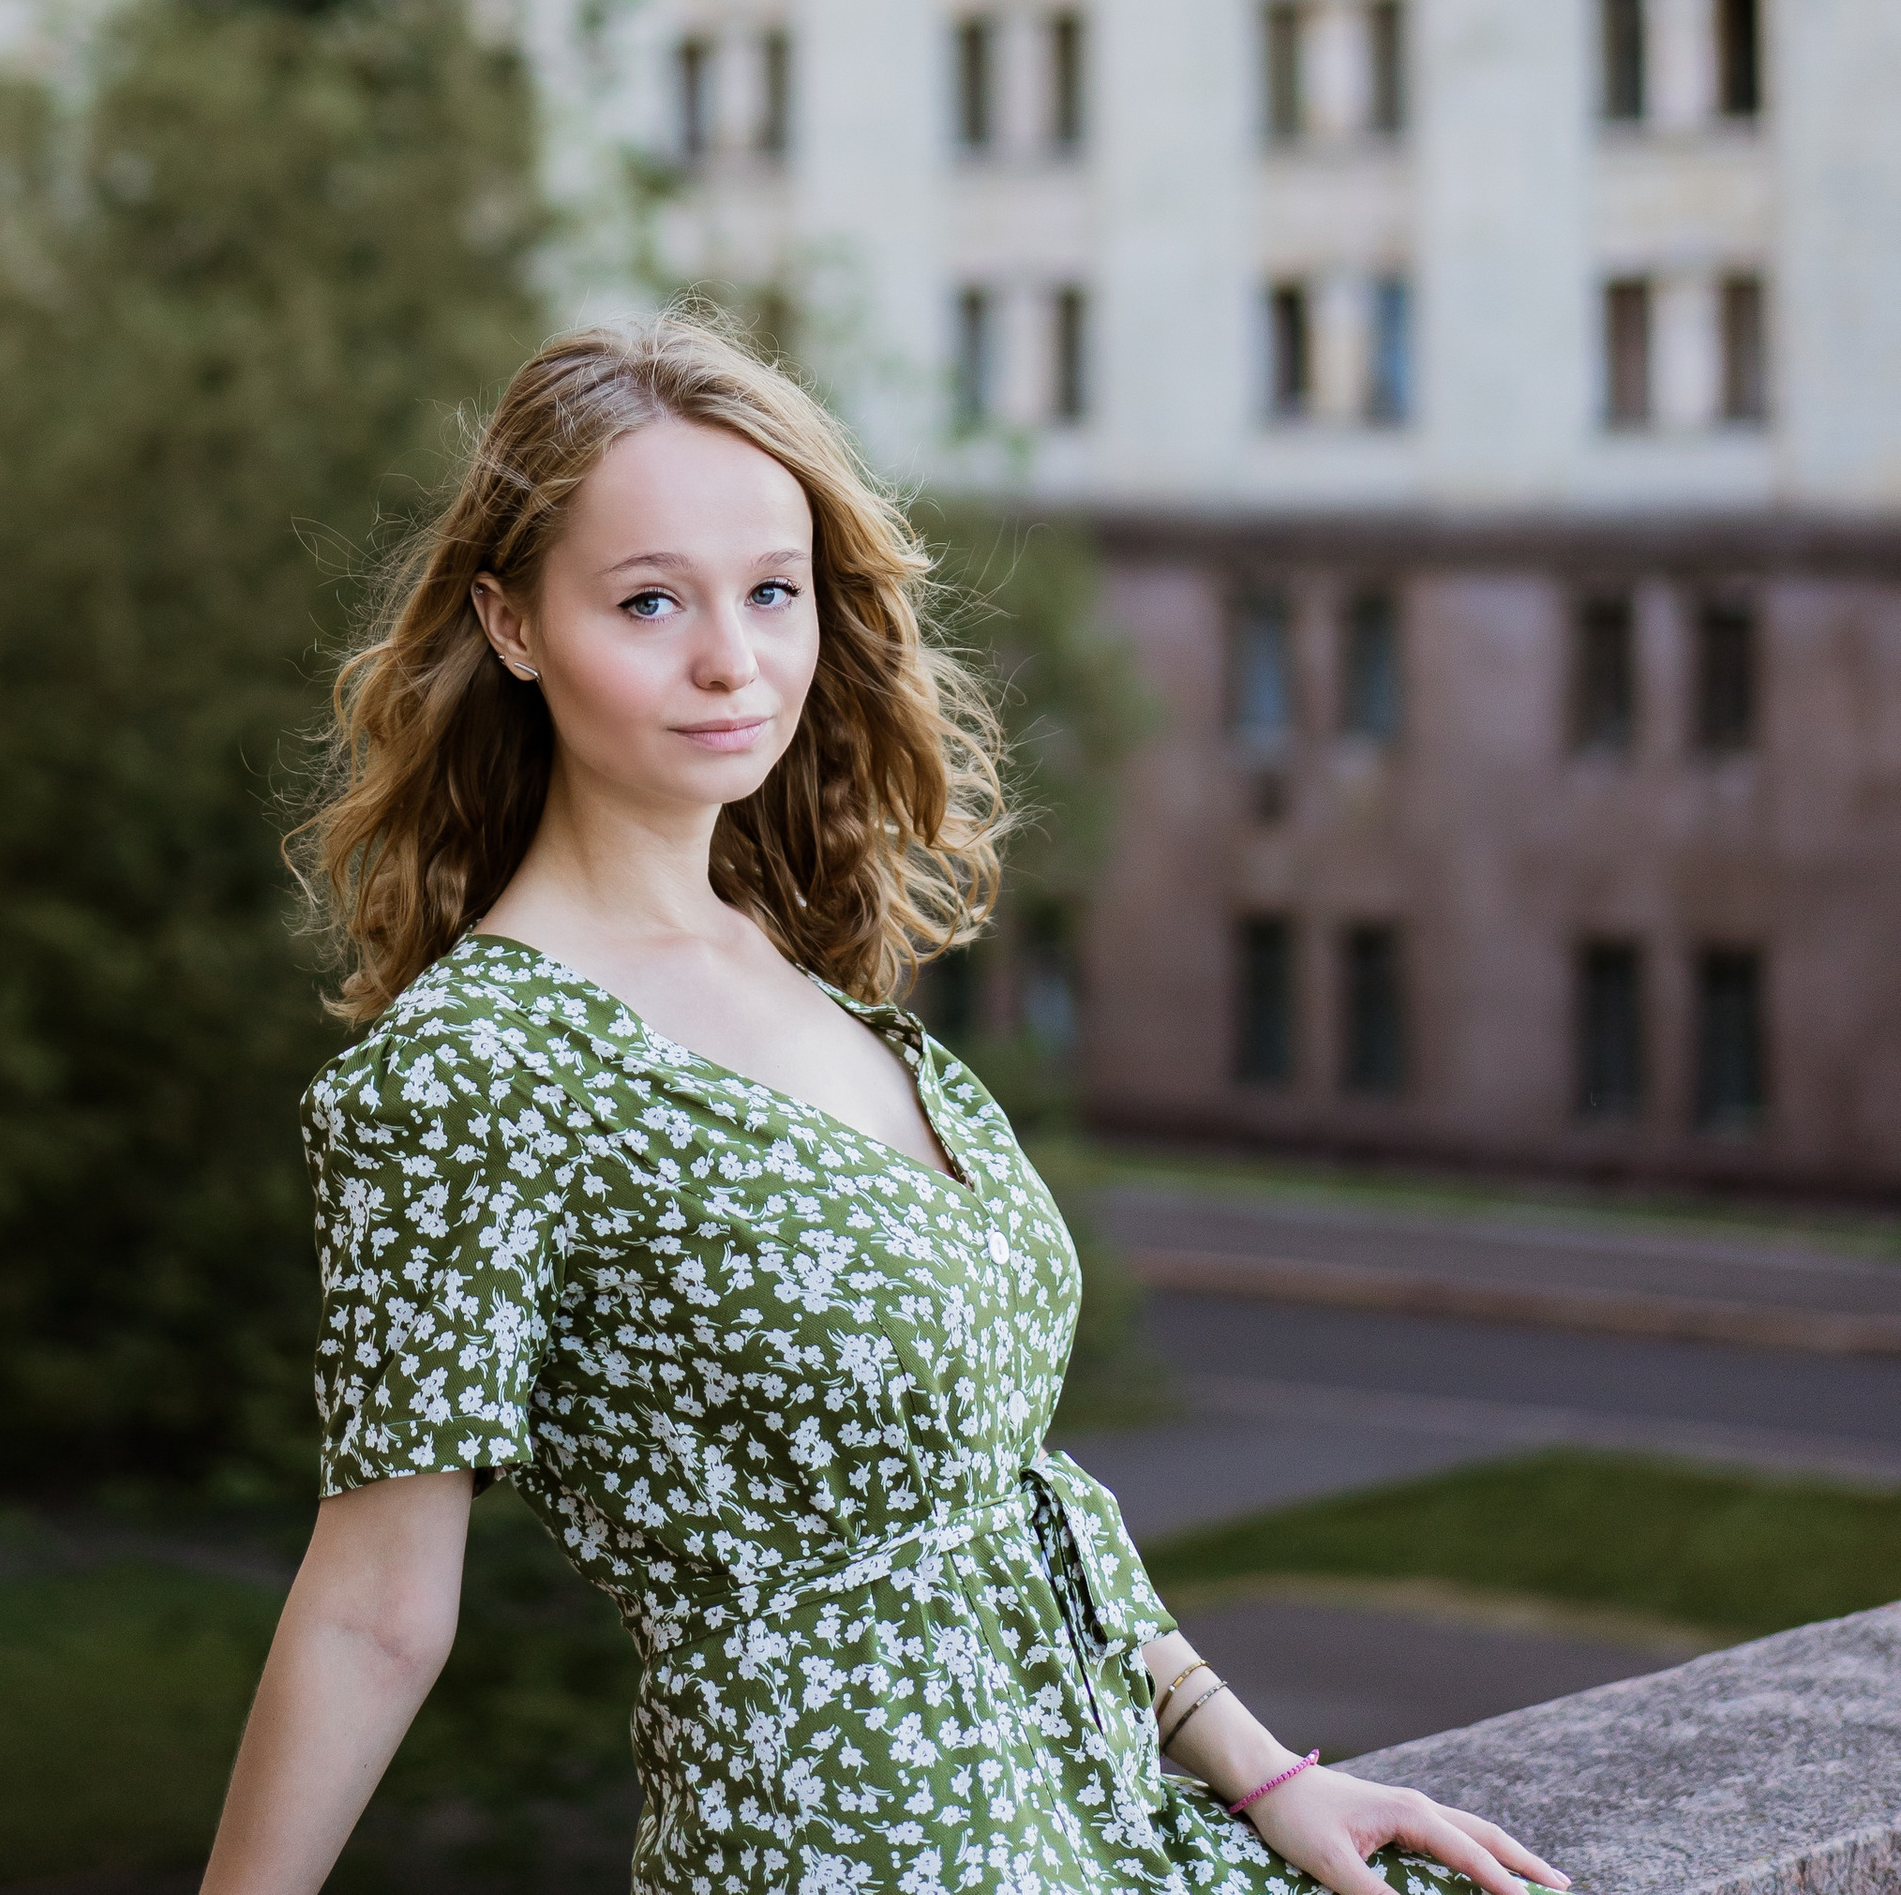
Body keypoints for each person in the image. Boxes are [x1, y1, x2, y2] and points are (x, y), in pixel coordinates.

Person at [201, 317, 1572, 1895]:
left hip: (1092, 1826)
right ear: (512, 625)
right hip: (851, 1855)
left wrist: (1266, 1775)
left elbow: (1009, 1499)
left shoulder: (798, 973)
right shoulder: (473, 1073)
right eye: (649, 601)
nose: (733, 661)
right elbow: (376, 1613)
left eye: (771, 592)